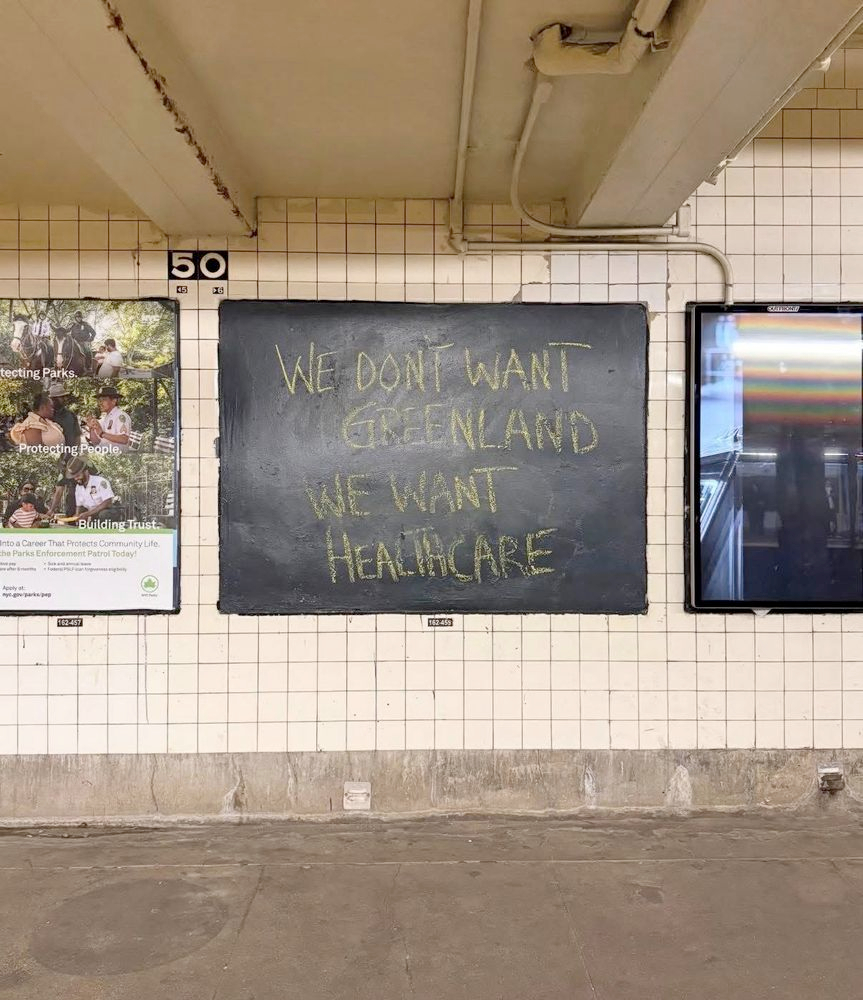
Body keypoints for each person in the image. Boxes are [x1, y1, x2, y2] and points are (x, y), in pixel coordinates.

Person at [65, 456, 117, 523]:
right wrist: (77, 515)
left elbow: (107, 502)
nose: (76, 479)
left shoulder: (100, 482)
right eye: (74, 477)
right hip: (91, 514)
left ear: (86, 472)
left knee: (104, 515)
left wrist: (88, 514)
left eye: (78, 476)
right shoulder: (78, 487)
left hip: (106, 511)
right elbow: (79, 506)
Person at [86, 385, 131, 451]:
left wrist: (102, 433)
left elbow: (124, 439)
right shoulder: (105, 418)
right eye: (99, 400)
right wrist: (91, 428)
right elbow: (96, 442)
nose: (100, 403)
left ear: (114, 401)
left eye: (104, 400)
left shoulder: (121, 416)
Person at [47, 382, 81, 448]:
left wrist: (75, 450)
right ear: (53, 399)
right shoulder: (46, 416)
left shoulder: (71, 415)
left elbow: (77, 436)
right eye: (62, 397)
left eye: (65, 397)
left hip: (69, 452)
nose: (65, 399)